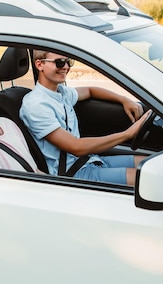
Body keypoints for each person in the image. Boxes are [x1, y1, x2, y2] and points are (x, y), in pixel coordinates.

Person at [19, 50, 150, 185]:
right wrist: (127, 134)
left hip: (89, 160)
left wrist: (123, 99)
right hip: (74, 174)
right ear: (40, 65)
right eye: (59, 62)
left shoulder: (61, 92)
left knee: (151, 165)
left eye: (68, 62)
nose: (66, 67)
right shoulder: (36, 105)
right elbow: (76, 146)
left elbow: (90, 91)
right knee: (150, 179)